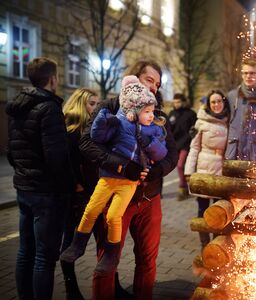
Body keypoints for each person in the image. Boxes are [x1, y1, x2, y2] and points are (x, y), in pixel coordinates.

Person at [79, 60, 178, 300]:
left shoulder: (158, 116)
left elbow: (172, 154)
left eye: (157, 83)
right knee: (107, 260)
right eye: (149, 80)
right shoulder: (110, 107)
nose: (153, 87)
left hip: (149, 197)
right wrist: (122, 166)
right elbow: (86, 144)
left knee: (147, 260)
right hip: (116, 198)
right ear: (134, 79)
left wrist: (158, 171)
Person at [61, 75, 167, 276]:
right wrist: (103, 120)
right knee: (91, 209)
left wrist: (150, 145)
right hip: (108, 177)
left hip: (128, 183)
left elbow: (162, 152)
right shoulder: (119, 121)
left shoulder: (154, 129)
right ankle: (78, 244)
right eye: (147, 111)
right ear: (134, 110)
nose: (151, 115)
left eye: (152, 111)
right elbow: (97, 138)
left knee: (113, 216)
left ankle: (111, 255)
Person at [6, 57, 75, 300]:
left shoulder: (17, 107)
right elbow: (56, 157)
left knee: (26, 251)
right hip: (46, 193)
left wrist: (24, 172)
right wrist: (68, 186)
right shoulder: (49, 107)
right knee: (44, 258)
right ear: (52, 78)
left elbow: (11, 151)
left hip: (24, 187)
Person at [61, 88, 99, 300]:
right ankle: (71, 289)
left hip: (95, 193)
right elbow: (67, 162)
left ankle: (110, 285)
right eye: (91, 103)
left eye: (97, 104)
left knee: (104, 240)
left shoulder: (93, 129)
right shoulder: (72, 131)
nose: (95, 108)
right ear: (80, 104)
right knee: (71, 243)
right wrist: (77, 184)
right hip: (77, 196)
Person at [184, 90, 230, 247]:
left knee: (219, 211)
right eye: (213, 102)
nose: (216, 105)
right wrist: (189, 172)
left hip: (222, 171)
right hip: (204, 169)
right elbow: (194, 148)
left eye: (219, 101)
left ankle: (216, 243)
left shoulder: (229, 121)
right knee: (203, 209)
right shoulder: (201, 122)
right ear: (209, 105)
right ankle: (204, 244)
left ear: (224, 103)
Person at [225, 57, 256, 162]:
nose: (248, 76)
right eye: (245, 73)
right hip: (234, 156)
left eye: (252, 73)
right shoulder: (232, 97)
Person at [168, 93, 197, 200]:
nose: (176, 104)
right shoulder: (172, 114)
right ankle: (186, 187)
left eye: (178, 102)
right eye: (175, 102)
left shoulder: (190, 114)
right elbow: (169, 129)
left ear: (183, 102)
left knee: (180, 165)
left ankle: (183, 188)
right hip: (175, 144)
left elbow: (195, 128)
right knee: (179, 166)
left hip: (187, 144)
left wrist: (191, 137)